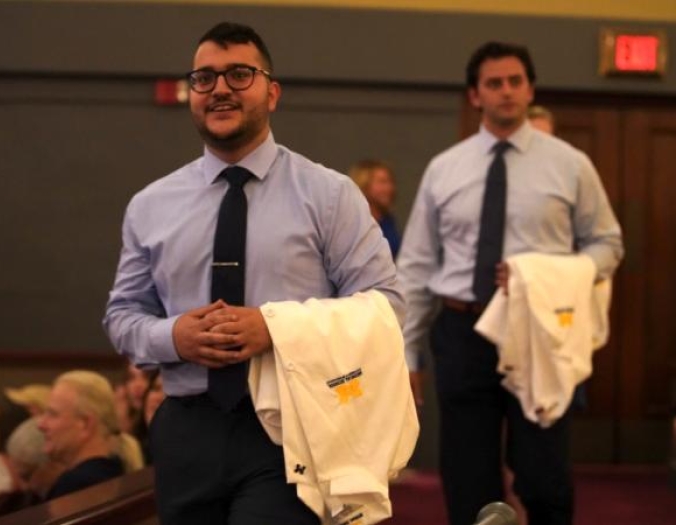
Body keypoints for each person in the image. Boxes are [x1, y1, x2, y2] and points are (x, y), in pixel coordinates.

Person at [103, 22, 410, 525]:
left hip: (293, 424)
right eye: (205, 78)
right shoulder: (150, 205)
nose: (220, 88)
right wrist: (173, 336)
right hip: (186, 429)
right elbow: (122, 317)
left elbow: (387, 305)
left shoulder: (328, 196)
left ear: (272, 92)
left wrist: (274, 327)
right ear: (192, 95)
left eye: (239, 74)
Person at [398, 41, 623, 525]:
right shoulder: (445, 168)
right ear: (475, 95)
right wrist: (407, 351)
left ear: (530, 88)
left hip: (539, 332)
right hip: (463, 330)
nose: (506, 92)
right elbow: (416, 264)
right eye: (494, 83)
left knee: (544, 477)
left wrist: (544, 275)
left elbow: (608, 244)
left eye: (515, 82)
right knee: (467, 477)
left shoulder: (570, 164)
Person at [37, 370, 143, 500]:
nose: (41, 424)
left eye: (53, 414)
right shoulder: (115, 472)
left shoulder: (77, 486)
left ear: (86, 424)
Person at [348, 159, 401, 258]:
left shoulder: (388, 221)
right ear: (363, 184)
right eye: (382, 182)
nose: (390, 188)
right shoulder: (351, 223)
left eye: (391, 182)